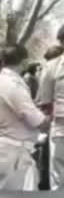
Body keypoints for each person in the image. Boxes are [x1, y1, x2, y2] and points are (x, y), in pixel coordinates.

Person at [0, 45, 49, 190]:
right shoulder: (12, 84)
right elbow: (34, 118)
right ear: (24, 62)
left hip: (10, 146)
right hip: (15, 151)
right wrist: (48, 119)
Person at [37, 24, 64, 189]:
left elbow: (45, 104)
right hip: (61, 129)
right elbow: (46, 103)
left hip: (60, 130)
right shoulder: (52, 67)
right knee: (59, 177)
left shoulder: (52, 67)